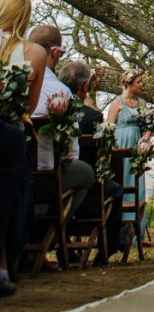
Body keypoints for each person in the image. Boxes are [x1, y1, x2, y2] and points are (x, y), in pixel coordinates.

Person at [0, 0, 46, 297]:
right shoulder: (35, 53)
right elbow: (29, 108)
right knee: (6, 201)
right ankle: (3, 266)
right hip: (10, 135)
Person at [59, 61, 125, 263]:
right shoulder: (93, 117)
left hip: (54, 182)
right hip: (91, 186)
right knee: (116, 190)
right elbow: (102, 156)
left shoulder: (56, 110)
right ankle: (108, 250)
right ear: (85, 87)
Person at [29, 26, 94, 215]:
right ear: (55, 53)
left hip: (16, 170)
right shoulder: (61, 92)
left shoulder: (13, 82)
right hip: (47, 174)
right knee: (86, 173)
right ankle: (53, 227)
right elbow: (70, 152)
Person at [107, 68, 149, 241]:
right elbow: (109, 128)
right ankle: (119, 227)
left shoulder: (142, 103)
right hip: (120, 144)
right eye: (139, 82)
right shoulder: (117, 103)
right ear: (129, 83)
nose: (141, 85)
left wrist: (146, 138)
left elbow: (148, 126)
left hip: (136, 146)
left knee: (136, 181)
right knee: (121, 180)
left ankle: (136, 232)